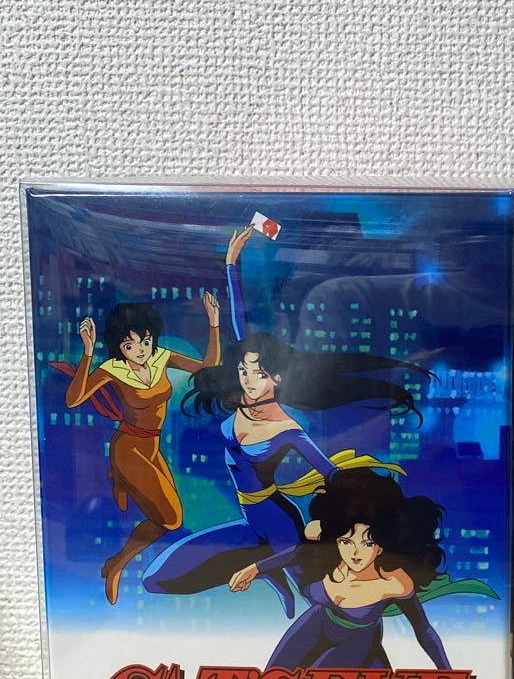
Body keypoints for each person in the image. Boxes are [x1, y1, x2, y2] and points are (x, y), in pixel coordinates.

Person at [141, 226, 421, 616]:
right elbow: (241, 322)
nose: (246, 380)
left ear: (277, 378)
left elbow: (333, 476)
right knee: (155, 578)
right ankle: (269, 571)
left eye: (257, 374)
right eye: (243, 371)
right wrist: (231, 264)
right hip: (248, 521)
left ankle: (341, 587)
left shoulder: (289, 431)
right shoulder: (244, 397)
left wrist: (340, 523)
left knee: (322, 603)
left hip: (280, 526)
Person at [228, 469, 496, 672]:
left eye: (368, 543)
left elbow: (423, 630)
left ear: (382, 544)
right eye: (346, 541)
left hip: (358, 638)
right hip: (319, 620)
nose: (355, 553)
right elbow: (300, 552)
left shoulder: (394, 582)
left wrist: (447, 675)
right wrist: (254, 569)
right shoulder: (328, 550)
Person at [54, 294, 220, 603]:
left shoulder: (161, 357)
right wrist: (88, 353)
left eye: (145, 341)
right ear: (119, 347)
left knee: (171, 517)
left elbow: (208, 368)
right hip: (129, 448)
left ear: (152, 337)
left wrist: (213, 323)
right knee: (170, 518)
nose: (140, 350)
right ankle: (117, 564)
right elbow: (73, 399)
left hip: (152, 447)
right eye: (130, 345)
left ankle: (119, 489)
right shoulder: (113, 369)